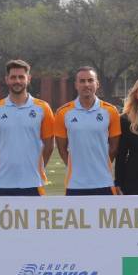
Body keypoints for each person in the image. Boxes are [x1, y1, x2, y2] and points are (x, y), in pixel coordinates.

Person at [0, 59, 54, 196]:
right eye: (13, 77)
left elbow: (49, 145)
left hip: (33, 182)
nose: (17, 81)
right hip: (2, 183)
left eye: (21, 77)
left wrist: (38, 168)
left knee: (33, 218)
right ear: (7, 79)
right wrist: (4, 166)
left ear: (29, 79)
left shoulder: (43, 108)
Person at [53, 67, 121, 195]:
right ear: (76, 85)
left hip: (104, 182)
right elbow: (62, 149)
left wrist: (101, 165)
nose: (86, 84)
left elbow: (114, 148)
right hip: (75, 183)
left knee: (105, 216)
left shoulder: (111, 111)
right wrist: (76, 169)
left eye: (90, 80)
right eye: (82, 81)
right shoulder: (63, 112)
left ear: (97, 84)